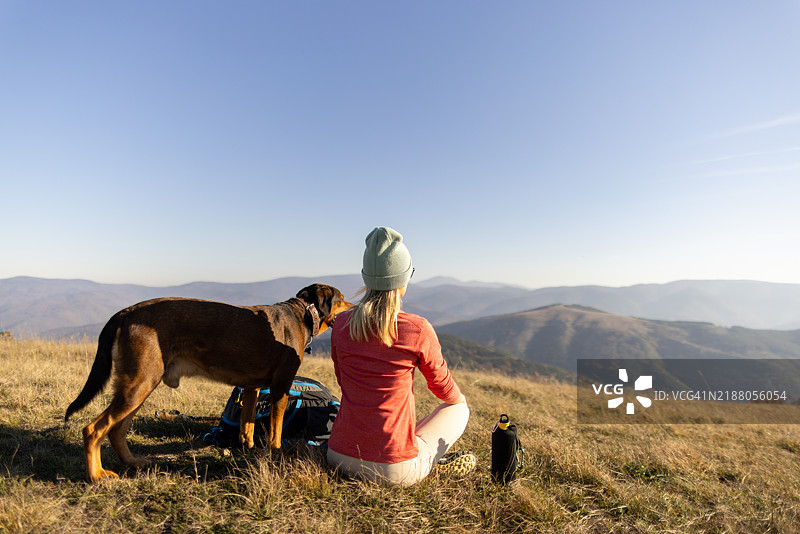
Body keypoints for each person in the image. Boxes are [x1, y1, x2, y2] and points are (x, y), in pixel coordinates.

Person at [326, 226, 474, 486]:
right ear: (403, 279)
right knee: (459, 409)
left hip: (338, 456)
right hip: (394, 470)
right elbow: (443, 390)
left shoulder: (340, 325)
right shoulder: (416, 329)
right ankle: (428, 462)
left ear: (366, 277)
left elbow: (343, 381)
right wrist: (459, 400)